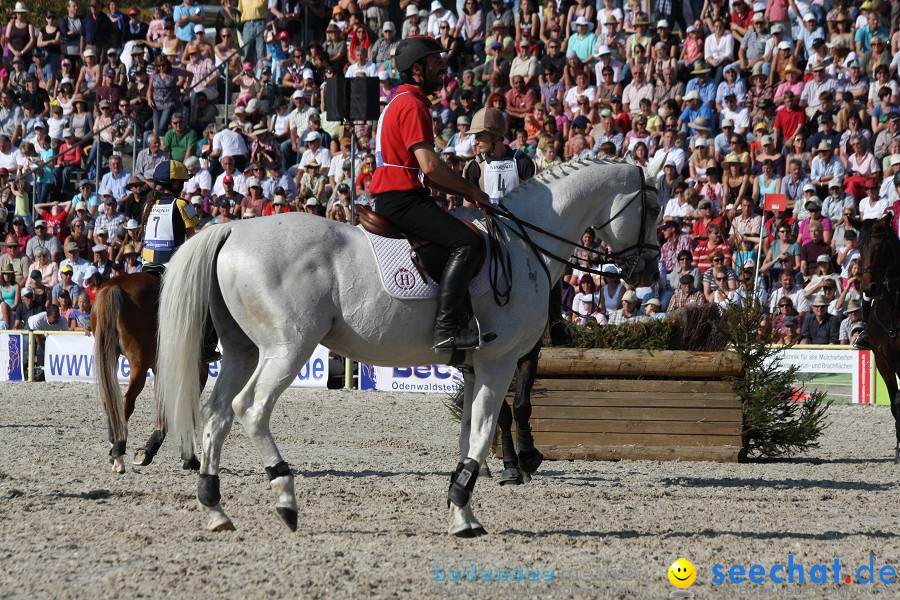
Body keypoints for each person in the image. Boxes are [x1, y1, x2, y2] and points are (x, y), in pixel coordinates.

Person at [370, 36, 492, 356]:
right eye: (436, 62)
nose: (444, 67)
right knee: (470, 243)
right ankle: (447, 327)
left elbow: (431, 174)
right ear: (417, 70)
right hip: (403, 197)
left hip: (397, 193)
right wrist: (473, 191)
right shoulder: (412, 105)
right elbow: (430, 166)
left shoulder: (400, 101)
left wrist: (468, 193)